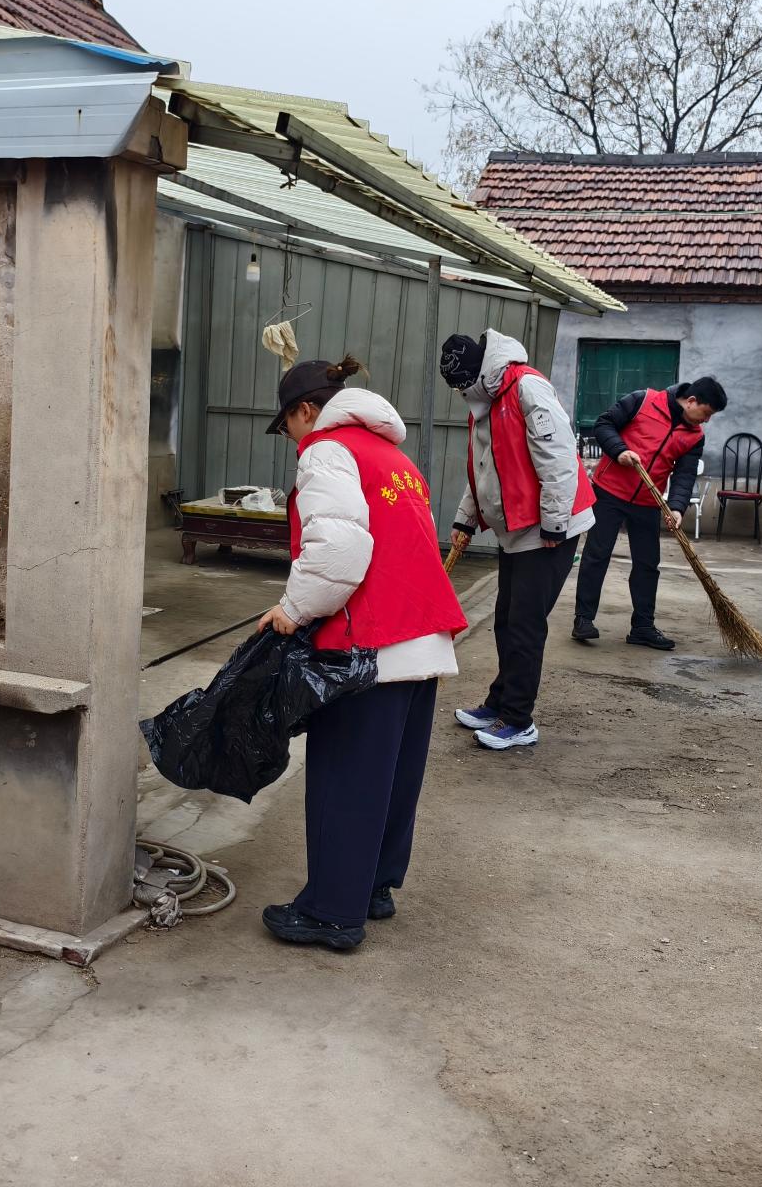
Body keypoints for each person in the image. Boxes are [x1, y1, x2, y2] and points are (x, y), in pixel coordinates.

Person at [256, 355, 467, 951]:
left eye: (287, 424)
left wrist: (294, 609)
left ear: (305, 410)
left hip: (369, 644)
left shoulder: (327, 451)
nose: (290, 438)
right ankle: (373, 887)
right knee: (393, 776)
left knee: (345, 778)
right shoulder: (393, 456)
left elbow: (338, 550)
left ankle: (331, 912)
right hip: (422, 637)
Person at [441, 329, 596, 751]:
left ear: (478, 372)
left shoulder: (526, 388)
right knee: (507, 620)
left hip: (546, 528)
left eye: (461, 385)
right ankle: (499, 702)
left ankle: (518, 720)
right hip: (516, 526)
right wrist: (465, 520)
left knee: (525, 625)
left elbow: (558, 459)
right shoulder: (486, 400)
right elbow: (483, 469)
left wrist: (554, 523)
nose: (461, 394)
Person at [573, 378, 728, 651]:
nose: (706, 421)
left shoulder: (695, 436)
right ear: (691, 401)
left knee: (647, 564)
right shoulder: (643, 401)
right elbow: (604, 424)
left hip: (648, 500)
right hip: (609, 491)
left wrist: (677, 508)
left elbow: (684, 474)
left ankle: (642, 627)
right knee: (597, 555)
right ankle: (583, 619)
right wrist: (620, 451)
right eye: (706, 413)